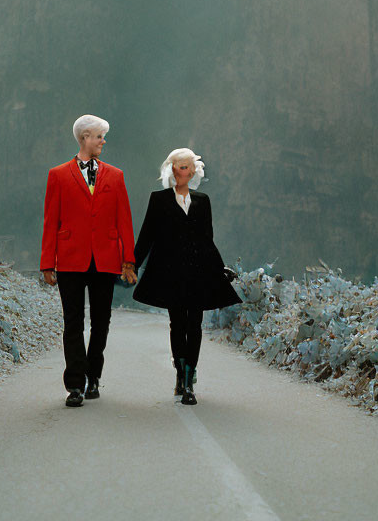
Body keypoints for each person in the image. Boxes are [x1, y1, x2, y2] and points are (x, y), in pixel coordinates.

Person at [41, 115, 137, 408]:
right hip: (70, 257)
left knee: (101, 321)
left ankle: (93, 375)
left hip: (106, 258)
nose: (103, 141)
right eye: (99, 136)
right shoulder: (57, 175)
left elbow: (125, 221)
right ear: (84, 138)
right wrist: (47, 262)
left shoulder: (116, 176)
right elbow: (50, 220)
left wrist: (128, 261)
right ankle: (75, 385)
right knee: (73, 322)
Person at [132, 148, 241, 405]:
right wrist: (131, 265)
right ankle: (180, 374)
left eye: (189, 167)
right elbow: (147, 235)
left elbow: (207, 239)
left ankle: (190, 380)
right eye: (181, 166)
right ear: (171, 169)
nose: (185, 172)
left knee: (195, 325)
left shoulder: (203, 201)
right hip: (170, 273)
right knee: (177, 324)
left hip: (199, 271)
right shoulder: (158, 199)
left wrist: (220, 267)